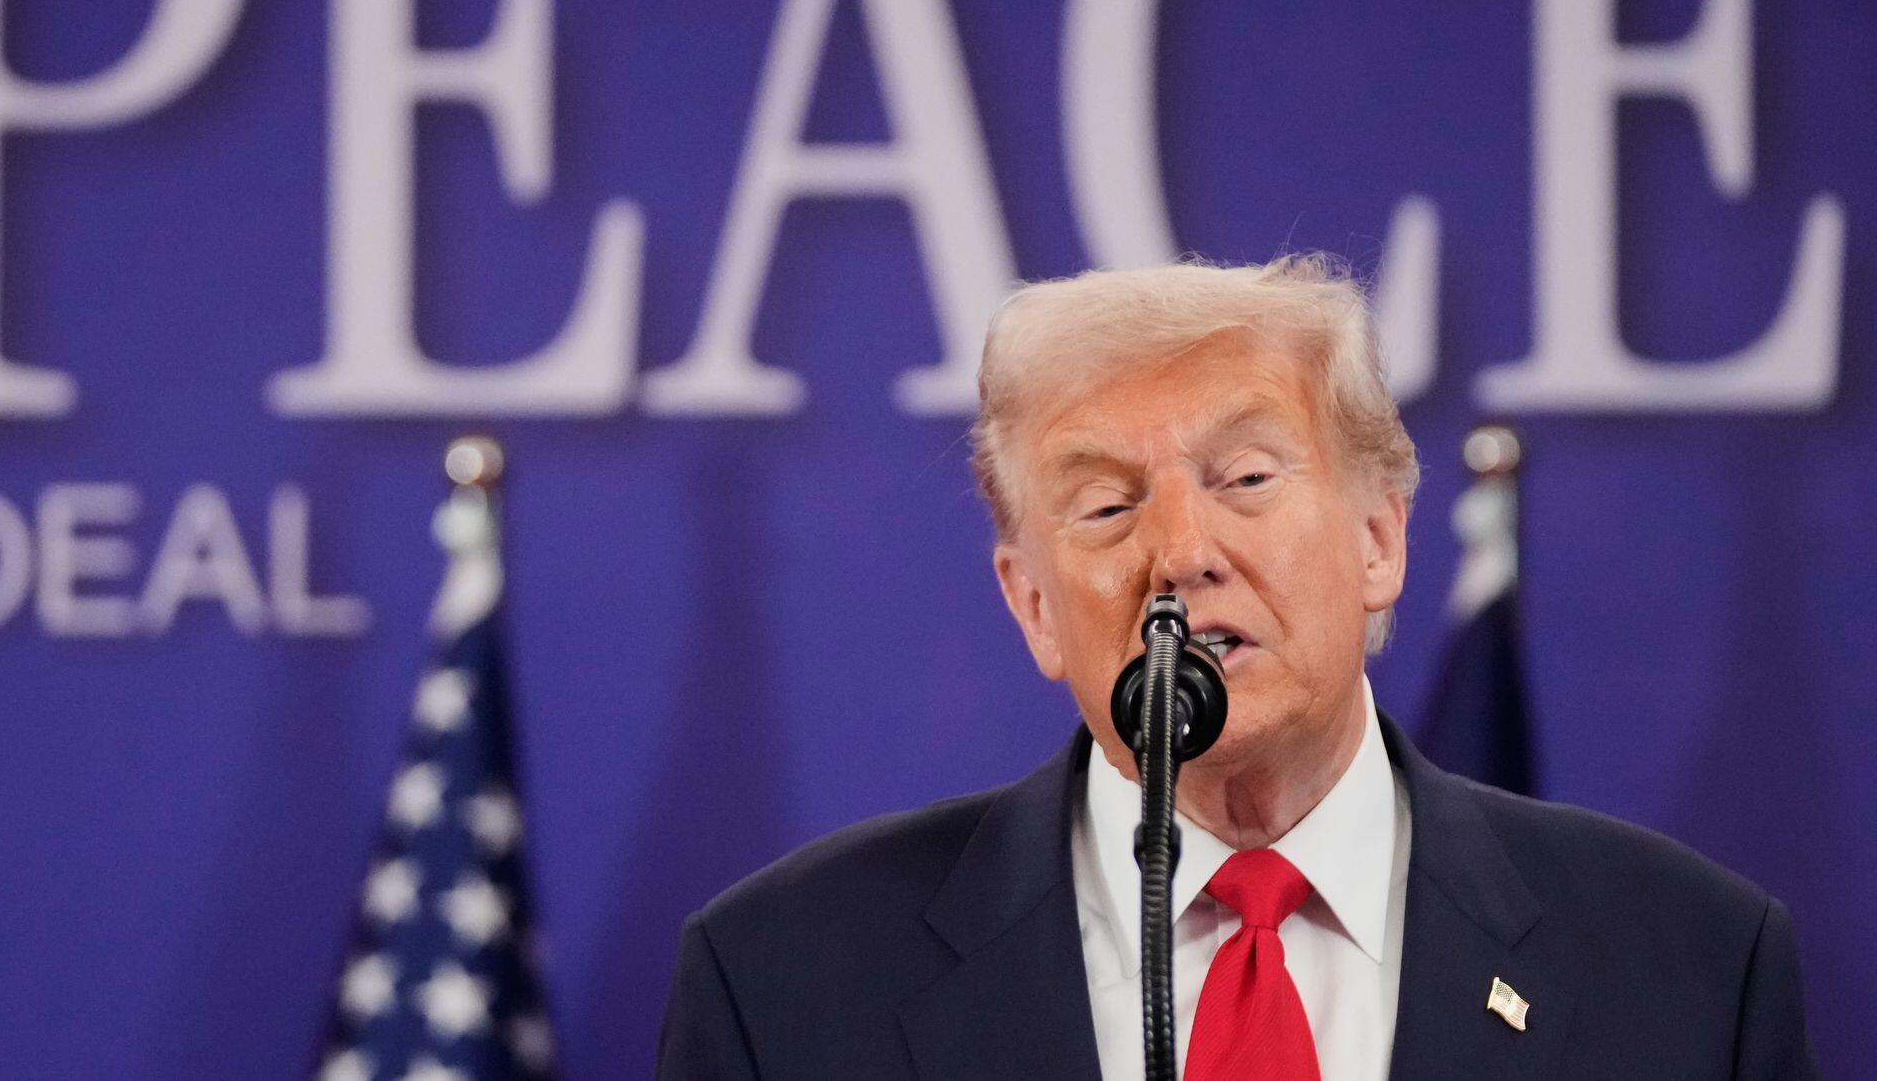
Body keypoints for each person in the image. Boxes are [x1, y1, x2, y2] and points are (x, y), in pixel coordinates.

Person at [658, 255, 1816, 1080]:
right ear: (1032, 605)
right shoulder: (785, 982)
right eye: (1105, 506)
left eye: (1246, 478)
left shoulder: (1690, 965)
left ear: (1378, 539)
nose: (1179, 553)